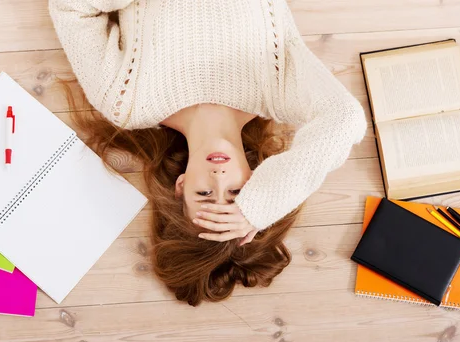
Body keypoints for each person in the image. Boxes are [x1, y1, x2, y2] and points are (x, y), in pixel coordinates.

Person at [49, 0, 367, 306]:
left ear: (181, 186)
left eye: (203, 194)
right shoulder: (278, 90)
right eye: (236, 192)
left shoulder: (125, 102)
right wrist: (262, 205)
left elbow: (71, 6)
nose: (218, 177)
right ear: (259, 181)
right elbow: (345, 119)